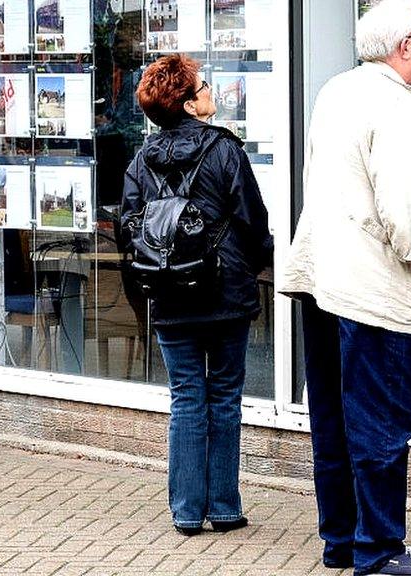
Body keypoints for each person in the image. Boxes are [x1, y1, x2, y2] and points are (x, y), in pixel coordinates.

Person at [281, 2, 411, 575]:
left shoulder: (335, 91)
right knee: (381, 421)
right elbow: (402, 193)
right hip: (374, 287)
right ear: (402, 46)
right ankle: (381, 550)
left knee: (334, 421)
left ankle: (342, 541)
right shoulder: (392, 102)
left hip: (324, 279)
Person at [121, 54, 273, 536]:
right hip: (225, 291)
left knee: (186, 396)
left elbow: (128, 228)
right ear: (189, 103)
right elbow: (253, 220)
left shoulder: (141, 160)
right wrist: (257, 264)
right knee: (224, 396)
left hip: (168, 293)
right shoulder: (226, 151)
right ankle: (225, 507)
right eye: (204, 87)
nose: (211, 92)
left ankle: (187, 511)